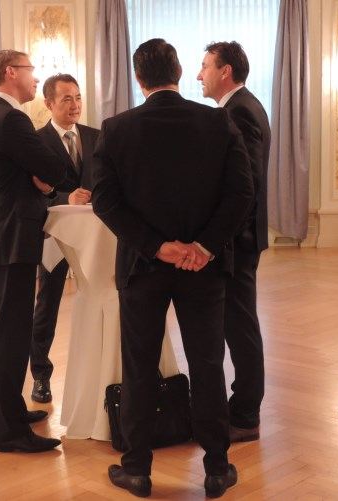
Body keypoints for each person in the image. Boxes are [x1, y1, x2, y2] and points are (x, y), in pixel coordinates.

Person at [93, 38, 254, 498]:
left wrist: (156, 246)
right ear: (179, 72)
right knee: (207, 363)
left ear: (138, 77)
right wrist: (203, 246)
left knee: (139, 365)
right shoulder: (216, 121)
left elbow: (105, 201)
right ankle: (217, 468)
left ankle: (137, 469)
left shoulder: (116, 128)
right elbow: (241, 193)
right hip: (203, 266)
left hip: (142, 267)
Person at [0, 49, 67, 453]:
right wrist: (41, 179)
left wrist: (37, 177)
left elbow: (36, 170)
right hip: (12, 236)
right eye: (31, 70)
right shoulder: (11, 118)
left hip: (2, 234)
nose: (36, 78)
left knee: (1, 332)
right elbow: (57, 168)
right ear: (11, 72)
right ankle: (9, 432)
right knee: (10, 335)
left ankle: (6, 413)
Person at [197, 41, 270, 443]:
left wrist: (216, 239)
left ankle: (244, 415)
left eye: (205, 66)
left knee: (240, 327)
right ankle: (241, 407)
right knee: (238, 325)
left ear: (225, 71)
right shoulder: (243, 106)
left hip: (236, 241)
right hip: (239, 238)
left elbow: (246, 185)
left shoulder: (239, 111)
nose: (199, 75)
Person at [29, 74, 100, 404]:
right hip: (54, 235)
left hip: (95, 235)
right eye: (67, 99)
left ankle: (100, 371)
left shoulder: (96, 136)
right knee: (48, 302)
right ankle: (40, 375)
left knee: (101, 297)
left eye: (78, 97)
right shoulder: (36, 142)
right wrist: (64, 198)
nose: (75, 105)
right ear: (49, 103)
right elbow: (31, 192)